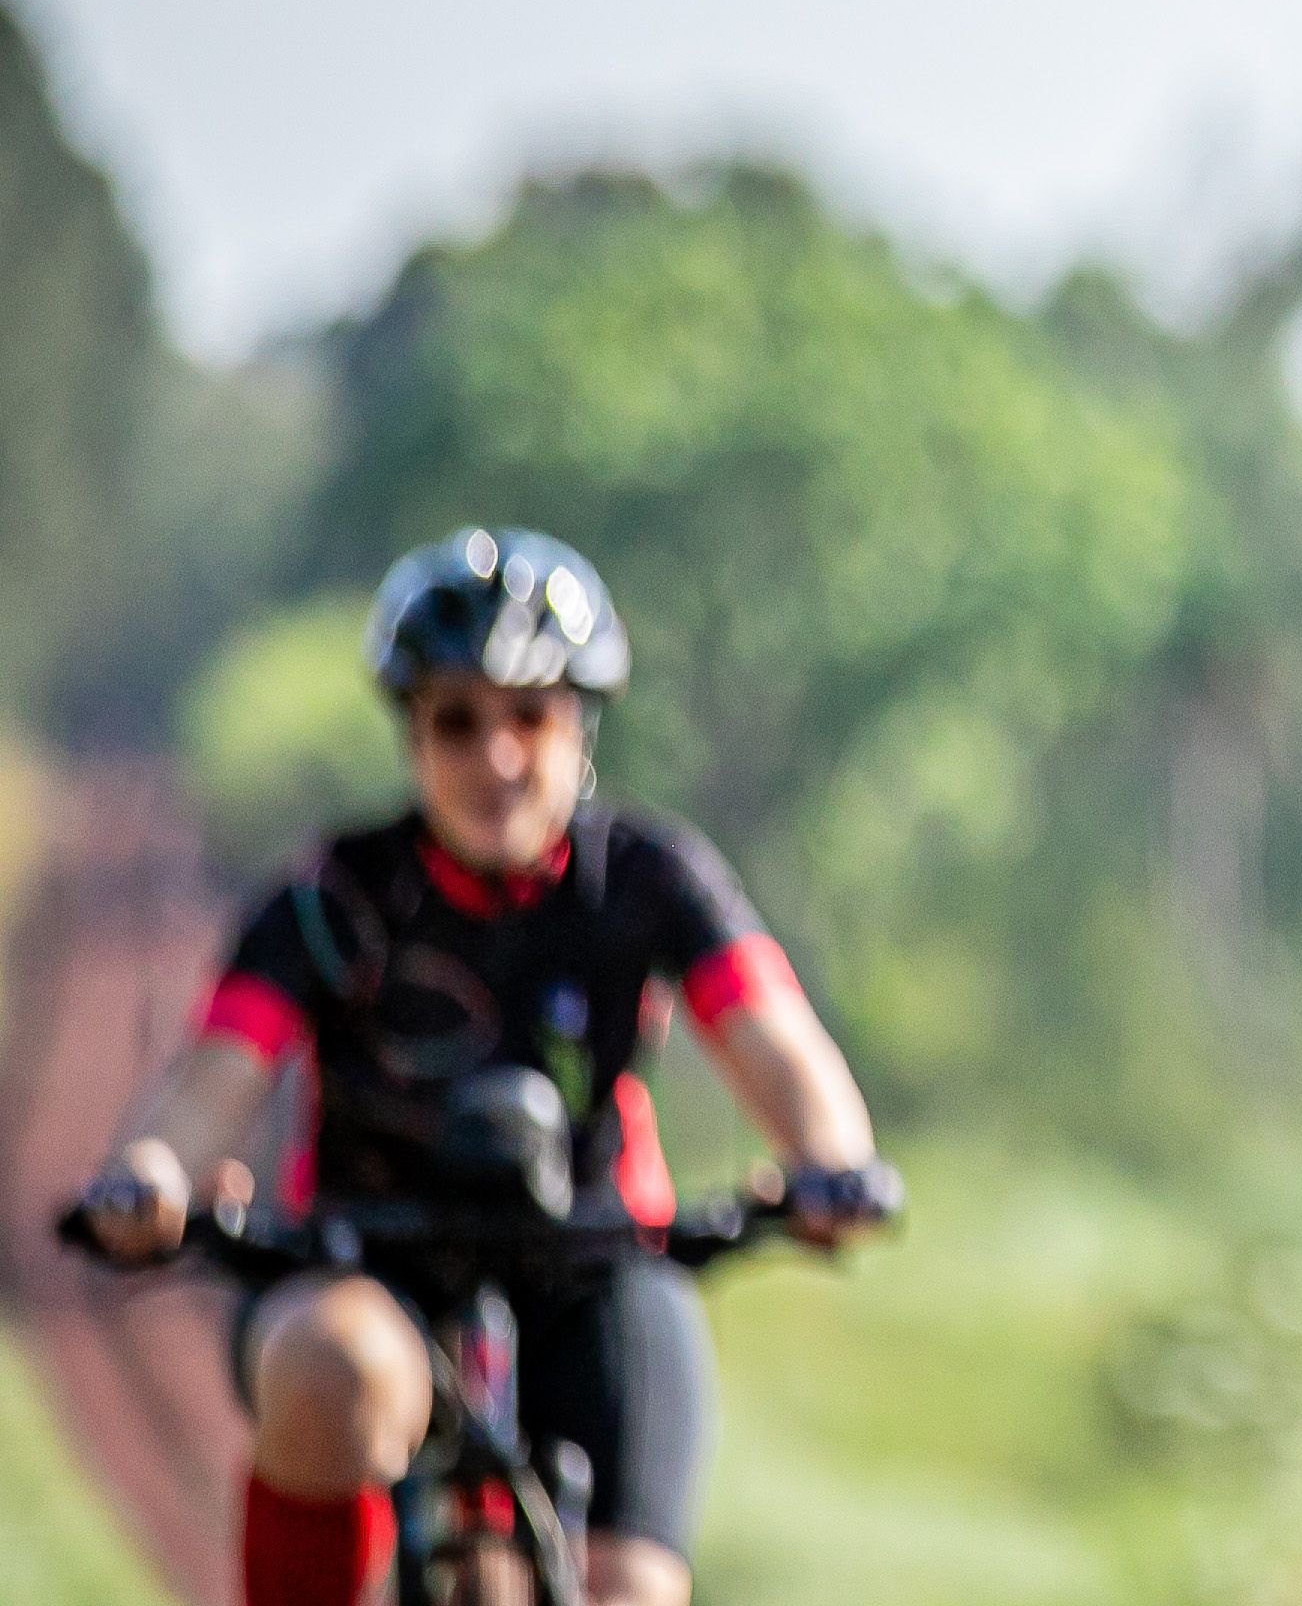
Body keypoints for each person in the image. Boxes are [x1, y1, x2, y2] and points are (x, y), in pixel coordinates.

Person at [68, 528, 892, 1606]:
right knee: (331, 1371)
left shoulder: (648, 879)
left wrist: (833, 1161)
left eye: (531, 716)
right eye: (458, 720)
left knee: (634, 1593)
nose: (497, 758)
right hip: (367, 1266)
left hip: (598, 1269)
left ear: (580, 726)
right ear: (412, 733)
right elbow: (214, 1075)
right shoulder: (332, 901)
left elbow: (771, 1033)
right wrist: (153, 1175)